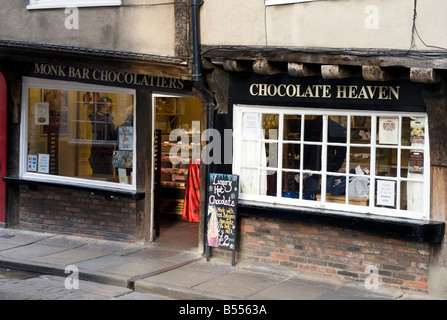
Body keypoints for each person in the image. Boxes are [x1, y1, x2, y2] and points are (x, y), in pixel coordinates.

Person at [89, 97, 117, 174]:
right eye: (109, 108)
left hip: (97, 154)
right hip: (103, 156)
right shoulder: (105, 121)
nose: (111, 110)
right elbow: (112, 137)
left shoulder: (97, 119)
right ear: (102, 108)